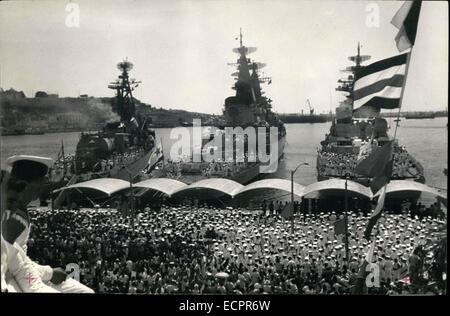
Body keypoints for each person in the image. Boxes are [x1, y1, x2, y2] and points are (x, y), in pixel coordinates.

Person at [2, 155, 94, 293]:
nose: (41, 189)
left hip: (24, 271)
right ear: (24, 184)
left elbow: (19, 259)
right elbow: (11, 263)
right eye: (39, 184)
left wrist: (48, 272)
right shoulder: (8, 216)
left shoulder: (20, 210)